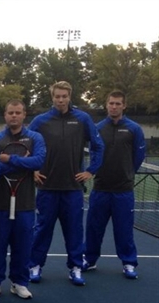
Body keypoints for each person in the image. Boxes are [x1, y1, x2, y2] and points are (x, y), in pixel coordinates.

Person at [28, 81, 104, 286]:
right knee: (42, 229)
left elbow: (98, 145)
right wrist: (32, 169)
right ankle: (35, 265)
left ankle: (76, 267)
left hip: (72, 189)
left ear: (70, 96)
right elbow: (25, 144)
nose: (60, 100)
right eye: (57, 96)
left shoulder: (82, 119)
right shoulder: (40, 121)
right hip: (46, 188)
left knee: (74, 231)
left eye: (64, 96)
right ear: (52, 97)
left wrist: (90, 170)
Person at [83, 91, 146, 279]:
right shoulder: (98, 128)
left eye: (118, 103)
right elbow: (94, 155)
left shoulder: (134, 129)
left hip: (123, 191)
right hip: (101, 188)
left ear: (124, 106)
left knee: (124, 229)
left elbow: (138, 157)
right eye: (111, 103)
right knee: (94, 227)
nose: (114, 106)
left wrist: (127, 174)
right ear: (106, 105)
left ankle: (128, 263)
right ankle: (90, 259)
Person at [0, 100, 45, 300]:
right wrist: (24, 162)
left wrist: (11, 159)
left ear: (24, 115)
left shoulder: (35, 138)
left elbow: (39, 161)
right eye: (10, 112)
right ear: (5, 115)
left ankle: (19, 282)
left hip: (26, 204)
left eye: (17, 112)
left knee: (23, 245)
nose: (14, 115)